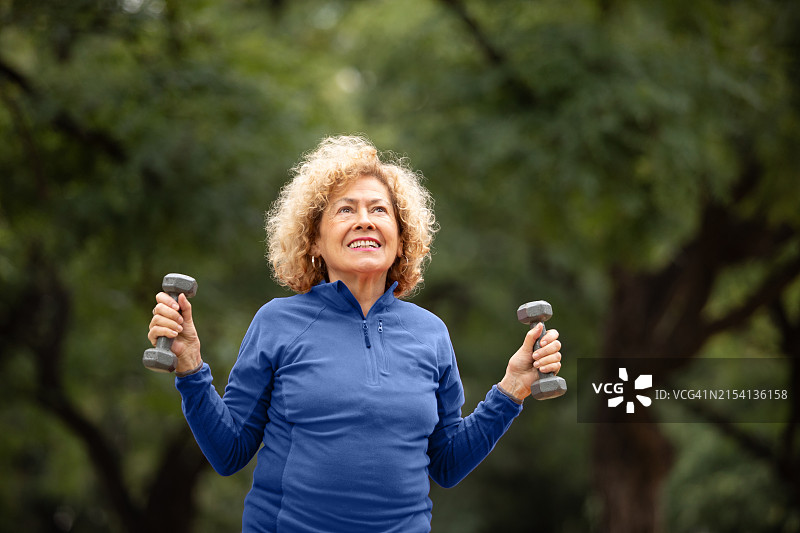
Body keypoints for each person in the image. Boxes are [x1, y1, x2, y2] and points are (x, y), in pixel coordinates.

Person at [147, 135, 562, 533]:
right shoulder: (277, 322)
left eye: (379, 210)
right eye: (345, 210)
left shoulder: (430, 334)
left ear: (401, 241)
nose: (365, 220)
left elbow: (447, 464)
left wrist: (512, 390)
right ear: (314, 241)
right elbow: (229, 451)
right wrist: (190, 368)